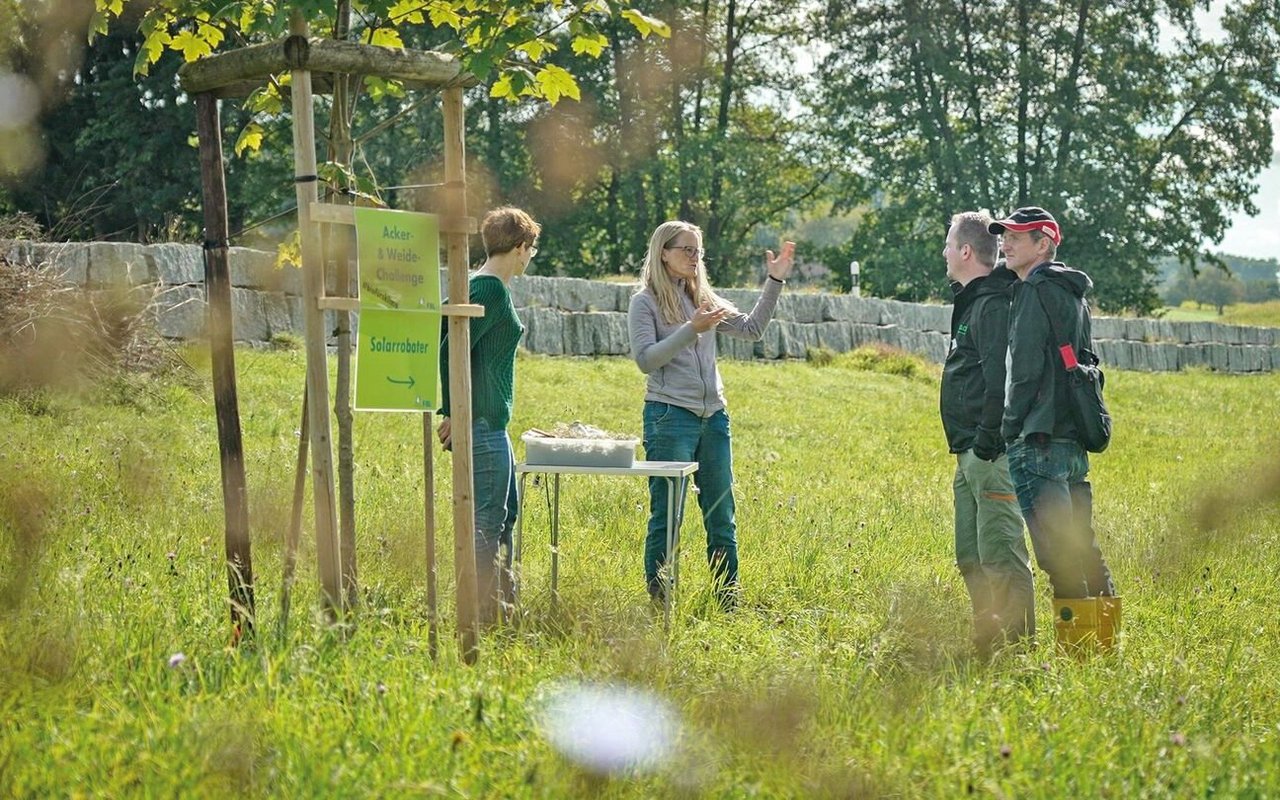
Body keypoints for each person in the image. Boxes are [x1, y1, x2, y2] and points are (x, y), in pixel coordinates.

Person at [627, 220, 795, 610]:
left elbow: (752, 330)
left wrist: (774, 281)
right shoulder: (645, 301)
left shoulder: (705, 297)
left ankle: (727, 604)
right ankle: (660, 604)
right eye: (686, 249)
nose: (694, 257)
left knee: (722, 517)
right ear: (663, 253)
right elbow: (646, 360)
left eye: (698, 250)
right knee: (667, 517)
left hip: (714, 420)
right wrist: (691, 328)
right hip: (669, 418)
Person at [993, 206, 1120, 648]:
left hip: (1038, 440)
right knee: (1083, 549)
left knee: (1057, 557)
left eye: (1016, 236)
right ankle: (1106, 646)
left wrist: (1010, 428)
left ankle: (1079, 654)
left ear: (1043, 243)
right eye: (1003, 235)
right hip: (1071, 443)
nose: (1005, 243)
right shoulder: (1072, 292)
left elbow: (1026, 370)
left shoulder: (1032, 291)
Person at [437, 207, 541, 625]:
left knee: (504, 516)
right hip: (481, 424)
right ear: (520, 248)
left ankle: (501, 609)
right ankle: (475, 613)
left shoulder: (488, 288)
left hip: (492, 423)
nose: (530, 257)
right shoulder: (490, 290)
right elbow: (450, 348)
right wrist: (453, 411)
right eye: (530, 249)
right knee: (487, 522)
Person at [939, 211, 1035, 656]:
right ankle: (987, 640)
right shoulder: (973, 301)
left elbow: (1002, 379)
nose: (943, 252)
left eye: (947, 243)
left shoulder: (993, 304)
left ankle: (1016, 650)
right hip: (968, 454)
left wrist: (986, 440)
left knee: (1001, 556)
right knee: (971, 557)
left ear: (964, 251)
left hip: (988, 454)